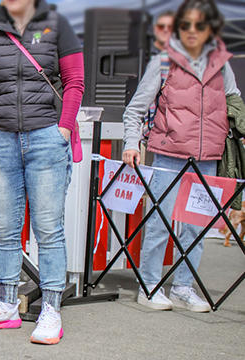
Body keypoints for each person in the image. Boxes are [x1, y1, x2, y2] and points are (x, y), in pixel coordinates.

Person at [0, 0, 84, 345]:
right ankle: (6, 304)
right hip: (0, 138)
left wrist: (62, 129)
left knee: (48, 228)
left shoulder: (58, 25)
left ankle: (51, 308)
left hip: (46, 134)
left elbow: (75, 81)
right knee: (5, 227)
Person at [121, 0, 239, 313]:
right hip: (169, 154)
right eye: (185, 24)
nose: (191, 31)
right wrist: (131, 143)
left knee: (197, 227)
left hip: (209, 156)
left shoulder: (221, 63)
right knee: (159, 222)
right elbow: (135, 108)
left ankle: (183, 287)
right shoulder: (164, 60)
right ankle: (150, 285)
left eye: (199, 25)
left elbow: (234, 101)